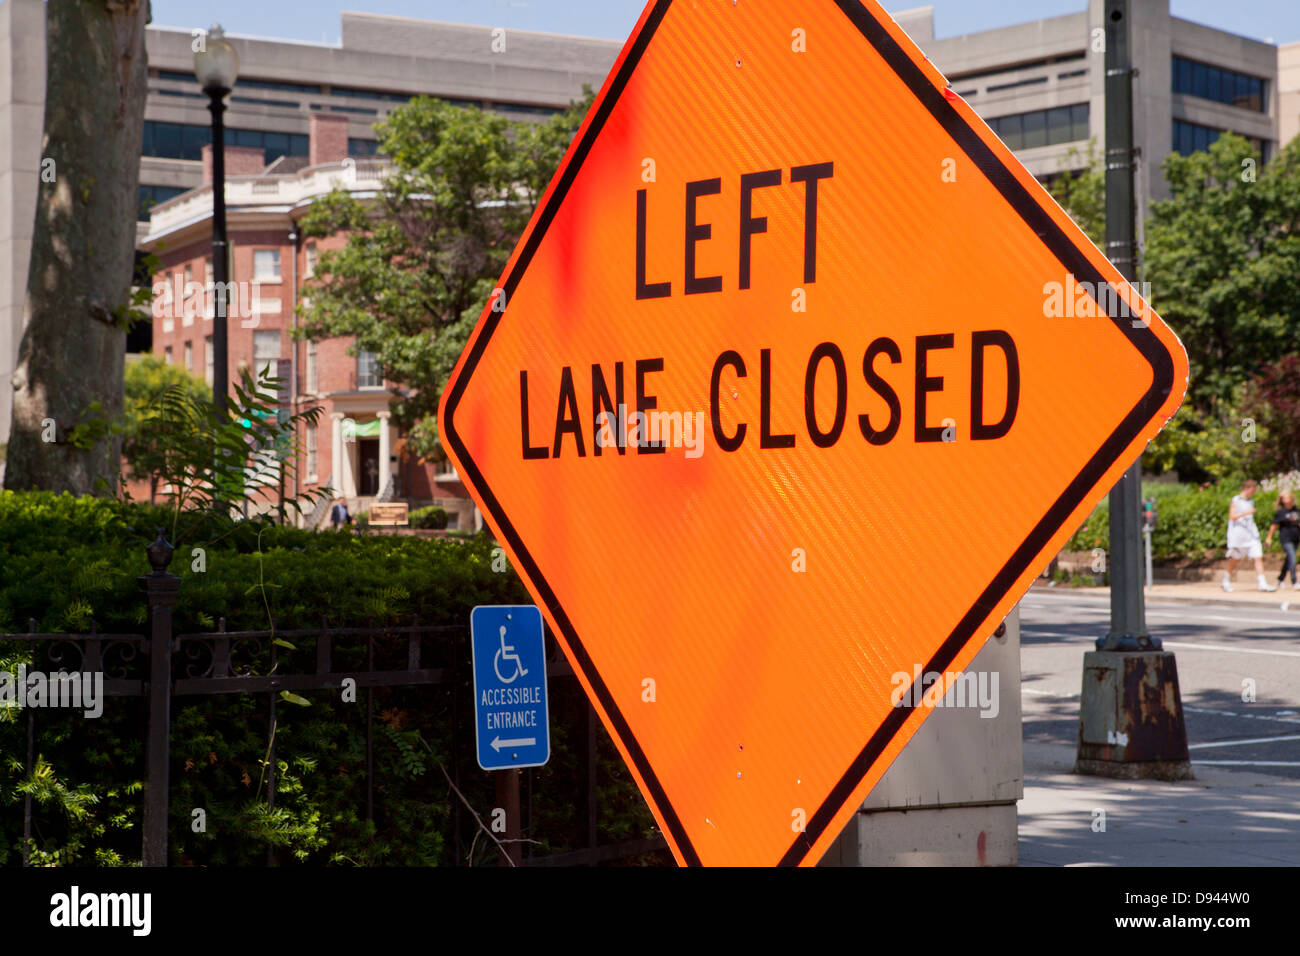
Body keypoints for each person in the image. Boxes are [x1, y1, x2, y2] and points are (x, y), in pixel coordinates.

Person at [1222, 479, 1275, 592]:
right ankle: (1226, 580)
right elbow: (1232, 517)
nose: (1253, 492)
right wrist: (1247, 513)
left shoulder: (1250, 501)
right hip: (1238, 536)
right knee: (1235, 559)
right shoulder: (1236, 500)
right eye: (1252, 490)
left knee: (1258, 557)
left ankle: (1262, 583)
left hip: (1251, 535)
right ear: (1246, 488)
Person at [1266, 490, 1300, 589]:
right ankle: (1294, 581)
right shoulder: (1280, 512)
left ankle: (1280, 579)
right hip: (1285, 538)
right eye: (1283, 498)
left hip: (1295, 538)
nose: (1285, 500)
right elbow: (1273, 526)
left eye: (1287, 497)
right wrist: (1269, 538)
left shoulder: (1296, 510)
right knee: (1292, 558)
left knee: (1288, 560)